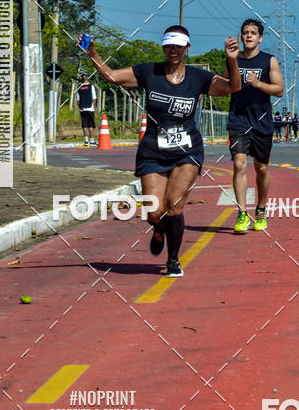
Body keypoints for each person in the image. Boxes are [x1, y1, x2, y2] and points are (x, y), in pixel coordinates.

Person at [79, 26, 240, 277]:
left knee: (174, 206)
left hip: (187, 150)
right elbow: (111, 76)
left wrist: (232, 60)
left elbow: (232, 87)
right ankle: (159, 228)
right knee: (155, 211)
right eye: (168, 46)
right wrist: (93, 54)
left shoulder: (198, 77)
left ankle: (173, 260)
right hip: (153, 150)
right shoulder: (148, 72)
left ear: (187, 48)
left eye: (178, 46)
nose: (173, 50)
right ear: (163, 48)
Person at [223, 19, 284, 234]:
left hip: (262, 121)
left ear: (260, 37)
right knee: (239, 164)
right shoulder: (233, 60)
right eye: (245, 33)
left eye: (253, 33)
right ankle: (241, 213)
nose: (249, 36)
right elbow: (223, 84)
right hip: (238, 120)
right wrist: (230, 61)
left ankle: (261, 209)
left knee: (261, 168)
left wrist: (258, 84)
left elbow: (279, 90)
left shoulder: (269, 61)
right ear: (241, 37)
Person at [76, 72, 98, 146]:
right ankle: (92, 141)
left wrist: (80, 107)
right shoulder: (91, 86)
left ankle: (86, 141)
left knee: (84, 125)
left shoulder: (79, 88)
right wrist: (94, 108)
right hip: (90, 108)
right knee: (91, 125)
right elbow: (94, 98)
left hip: (82, 109)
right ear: (87, 77)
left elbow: (78, 100)